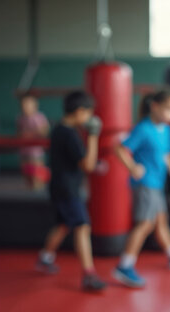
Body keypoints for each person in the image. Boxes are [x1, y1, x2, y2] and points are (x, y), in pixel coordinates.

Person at [112, 86, 170, 288]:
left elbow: (166, 155)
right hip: (145, 185)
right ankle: (124, 265)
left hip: (157, 184)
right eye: (169, 108)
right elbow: (119, 148)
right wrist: (132, 167)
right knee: (145, 224)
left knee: (161, 221)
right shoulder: (143, 128)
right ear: (154, 106)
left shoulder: (165, 130)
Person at [35, 90, 106, 292]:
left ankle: (45, 258)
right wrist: (93, 136)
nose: (89, 118)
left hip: (59, 186)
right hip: (67, 189)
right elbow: (87, 165)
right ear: (80, 111)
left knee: (63, 224)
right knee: (82, 226)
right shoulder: (70, 134)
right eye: (88, 114)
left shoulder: (59, 129)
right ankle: (89, 275)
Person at [17, 93, 50, 190]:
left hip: (35, 151)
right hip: (24, 150)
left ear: (35, 106)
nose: (25, 107)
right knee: (26, 171)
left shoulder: (39, 117)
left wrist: (30, 134)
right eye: (23, 105)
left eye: (28, 105)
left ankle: (38, 188)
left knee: (37, 172)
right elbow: (19, 132)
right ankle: (30, 188)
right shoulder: (21, 118)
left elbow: (44, 131)